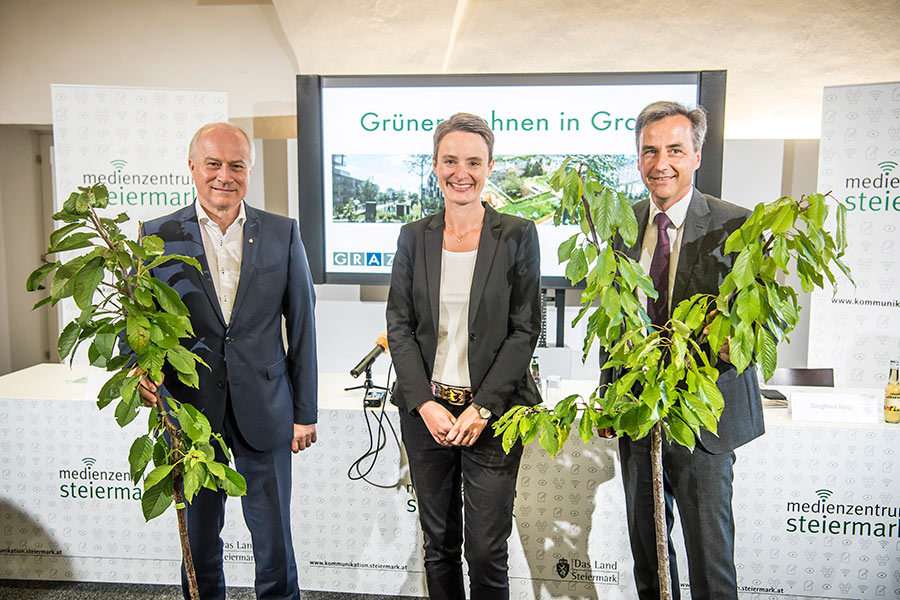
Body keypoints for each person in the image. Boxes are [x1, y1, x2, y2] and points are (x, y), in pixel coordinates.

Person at [135, 122, 318, 600]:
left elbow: (302, 329)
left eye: (236, 165)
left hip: (267, 408)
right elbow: (135, 319)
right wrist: (137, 365)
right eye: (213, 164)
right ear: (192, 167)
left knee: (274, 542)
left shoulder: (282, 232)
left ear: (250, 170)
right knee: (198, 543)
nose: (224, 175)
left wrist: (305, 413)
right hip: (190, 413)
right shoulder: (156, 236)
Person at [600, 101, 764, 600]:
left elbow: (753, 327)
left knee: (712, 565)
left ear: (696, 154)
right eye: (649, 151)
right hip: (638, 416)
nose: (661, 163)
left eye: (674, 149)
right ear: (637, 160)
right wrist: (610, 394)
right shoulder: (620, 226)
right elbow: (613, 321)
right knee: (649, 560)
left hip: (704, 421)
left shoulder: (738, 226)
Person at [386, 112, 541, 600]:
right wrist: (424, 404)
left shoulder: (517, 233)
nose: (462, 172)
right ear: (435, 165)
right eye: (450, 160)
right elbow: (400, 326)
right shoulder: (414, 236)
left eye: (473, 161)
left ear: (490, 166)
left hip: (493, 413)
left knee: (486, 551)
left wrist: (482, 406)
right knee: (438, 546)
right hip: (427, 412)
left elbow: (524, 330)